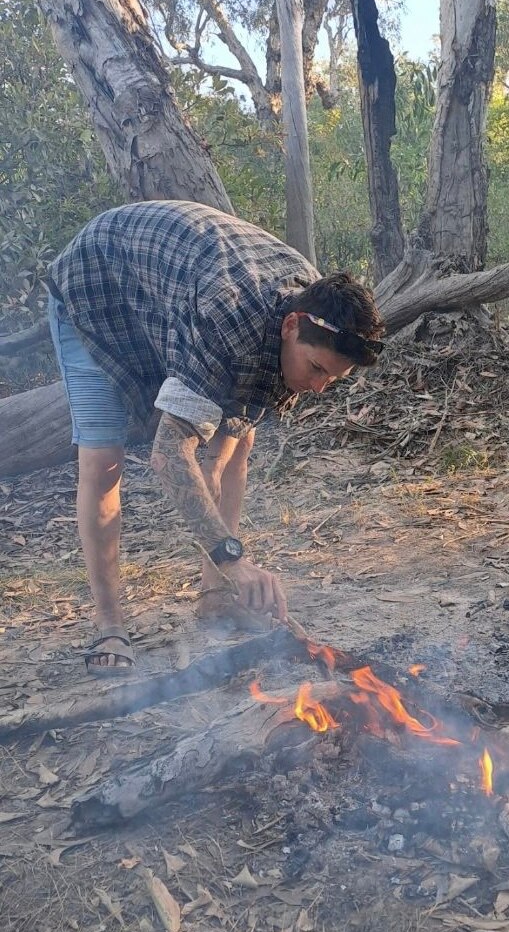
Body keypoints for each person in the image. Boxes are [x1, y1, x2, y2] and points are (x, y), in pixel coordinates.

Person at [46, 200, 384, 675]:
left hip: (175, 289)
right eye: (315, 369)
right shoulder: (227, 320)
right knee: (103, 459)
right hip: (99, 284)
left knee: (235, 444)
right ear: (291, 326)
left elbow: (230, 435)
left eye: (332, 379)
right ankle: (109, 625)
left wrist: (229, 575)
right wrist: (233, 558)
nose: (316, 387)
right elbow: (169, 456)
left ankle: (216, 600)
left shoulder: (310, 300)